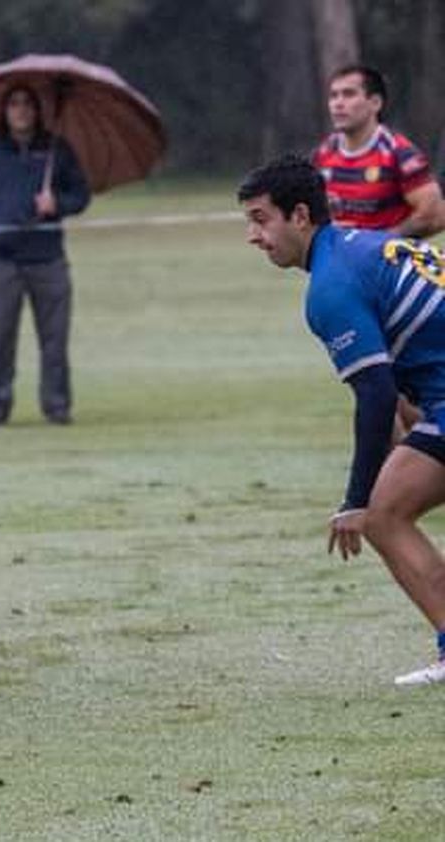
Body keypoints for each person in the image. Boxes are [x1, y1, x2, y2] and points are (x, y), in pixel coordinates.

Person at [239, 154, 445, 686]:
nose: (252, 237)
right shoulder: (363, 245)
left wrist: (357, 500)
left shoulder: (329, 286)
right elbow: (397, 394)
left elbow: (374, 393)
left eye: (261, 220)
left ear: (300, 216)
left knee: (384, 517)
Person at [0, 85, 90, 427]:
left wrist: (57, 205)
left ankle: (57, 404)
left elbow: (81, 195)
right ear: (5, 111)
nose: (21, 111)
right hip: (2, 259)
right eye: (14, 104)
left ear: (37, 111)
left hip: (48, 258)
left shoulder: (56, 150)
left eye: (27, 105)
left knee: (54, 339)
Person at [312, 65, 445, 238]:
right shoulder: (323, 154)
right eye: (333, 96)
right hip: (339, 262)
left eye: (349, 94)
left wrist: (381, 242)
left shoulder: (399, 154)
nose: (338, 103)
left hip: (385, 262)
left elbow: (434, 215)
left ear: (375, 103)